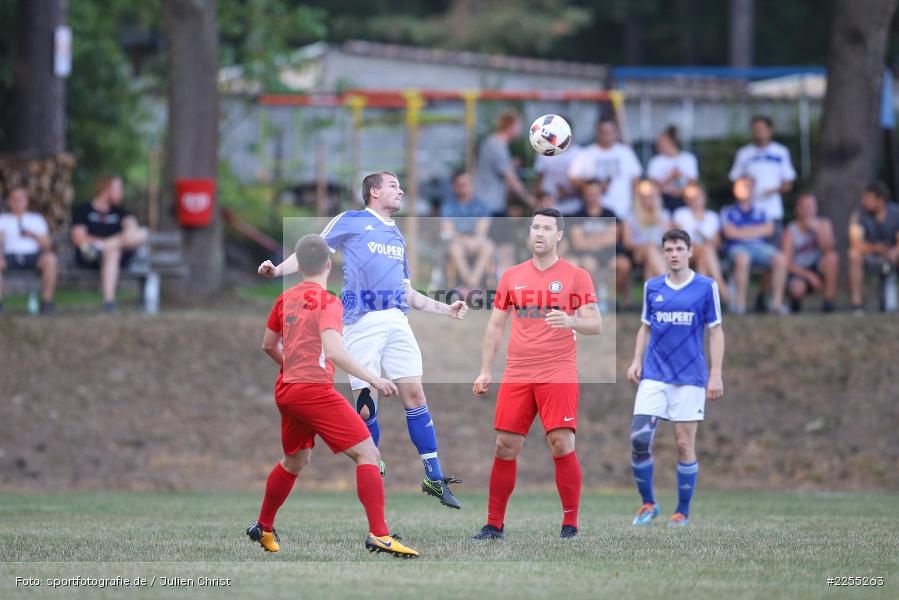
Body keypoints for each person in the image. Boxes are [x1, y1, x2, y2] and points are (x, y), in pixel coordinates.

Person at [258, 171, 468, 508]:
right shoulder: (352, 220)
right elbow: (312, 249)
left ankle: (433, 475)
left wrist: (446, 310)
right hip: (361, 321)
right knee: (367, 401)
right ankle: (375, 478)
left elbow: (406, 291)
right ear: (373, 192)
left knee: (414, 393)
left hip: (398, 319)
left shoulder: (397, 236)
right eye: (393, 185)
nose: (401, 190)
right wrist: (276, 271)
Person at [246, 234, 418, 558]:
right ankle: (379, 534)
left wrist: (294, 367)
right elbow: (334, 351)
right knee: (368, 454)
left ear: (298, 266)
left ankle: (263, 526)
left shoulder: (284, 300)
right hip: (313, 391)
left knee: (295, 460)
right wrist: (374, 379)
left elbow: (268, 345)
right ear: (328, 264)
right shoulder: (328, 302)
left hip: (287, 389)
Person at [471, 207, 602, 541]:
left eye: (546, 228)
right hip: (517, 372)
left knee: (561, 442)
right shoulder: (511, 276)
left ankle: (570, 524)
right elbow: (496, 325)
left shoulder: (576, 276)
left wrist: (572, 320)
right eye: (534, 228)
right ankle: (493, 526)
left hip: (558, 371)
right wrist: (486, 369)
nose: (539, 233)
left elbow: (596, 323)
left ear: (559, 235)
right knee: (504, 445)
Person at [626, 228, 724, 528]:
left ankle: (681, 510)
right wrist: (635, 360)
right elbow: (645, 327)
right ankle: (648, 503)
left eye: (679, 249)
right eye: (668, 249)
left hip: (691, 378)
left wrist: (716, 374)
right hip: (655, 375)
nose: (674, 254)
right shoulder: (652, 287)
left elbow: (716, 331)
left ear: (689, 252)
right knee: (639, 439)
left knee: (683, 445)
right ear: (663, 253)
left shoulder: (706, 287)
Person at [71, 176, 148, 312]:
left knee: (142, 233)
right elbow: (79, 238)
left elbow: (132, 230)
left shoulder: (120, 211)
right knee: (113, 252)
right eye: (118, 189)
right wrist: (117, 241)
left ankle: (109, 301)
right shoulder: (84, 210)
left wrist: (104, 244)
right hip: (90, 257)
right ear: (106, 190)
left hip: (113, 256)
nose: (121, 193)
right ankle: (109, 300)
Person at [720, 177, 788, 315]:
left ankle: (776, 304)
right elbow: (729, 233)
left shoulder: (763, 210)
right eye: (743, 185)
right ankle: (740, 304)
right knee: (742, 258)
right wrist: (756, 230)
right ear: (735, 189)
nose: (747, 189)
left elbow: (770, 229)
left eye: (749, 186)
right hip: (736, 248)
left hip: (760, 248)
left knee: (780, 259)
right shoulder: (727, 210)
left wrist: (741, 231)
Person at [568, 180, 631, 307]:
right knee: (588, 265)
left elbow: (613, 238)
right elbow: (578, 243)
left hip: (610, 254)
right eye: (589, 193)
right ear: (584, 195)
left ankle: (610, 299)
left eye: (595, 193)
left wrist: (590, 240)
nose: (592, 197)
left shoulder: (609, 213)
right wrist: (602, 238)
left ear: (601, 194)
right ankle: (594, 301)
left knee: (623, 265)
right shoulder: (577, 215)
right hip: (586, 255)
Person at [567, 117, 642, 219]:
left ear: (615, 132)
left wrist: (634, 203)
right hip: (595, 213)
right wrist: (593, 185)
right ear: (597, 133)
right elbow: (572, 178)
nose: (606, 135)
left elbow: (635, 180)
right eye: (603, 132)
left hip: (623, 210)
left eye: (609, 132)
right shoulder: (586, 153)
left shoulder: (625, 152)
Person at [728, 115, 796, 225]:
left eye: (762, 129)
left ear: (770, 130)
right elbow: (735, 179)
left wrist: (772, 191)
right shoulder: (744, 153)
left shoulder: (781, 152)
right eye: (756, 129)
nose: (759, 132)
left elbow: (788, 183)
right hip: (748, 213)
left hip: (773, 212)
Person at [0, 187, 58, 314]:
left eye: (21, 199)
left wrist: (33, 235)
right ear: (9, 201)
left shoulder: (36, 219)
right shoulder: (2, 220)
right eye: (14, 199)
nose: (18, 202)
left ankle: (47, 302)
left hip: (33, 256)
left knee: (51, 260)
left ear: (26, 201)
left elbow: (48, 245)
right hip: (9, 256)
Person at [672, 183, 729, 305]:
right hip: (686, 253)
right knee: (706, 250)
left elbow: (717, 243)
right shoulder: (680, 214)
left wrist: (706, 242)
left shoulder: (712, 216)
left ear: (704, 197)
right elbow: (680, 239)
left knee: (704, 259)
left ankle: (700, 302)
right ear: (686, 199)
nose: (695, 200)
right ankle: (722, 289)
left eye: (697, 196)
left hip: (706, 254)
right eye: (691, 197)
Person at [782, 193, 839, 313]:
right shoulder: (790, 230)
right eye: (805, 207)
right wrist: (808, 275)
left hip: (818, 267)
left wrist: (819, 231)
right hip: (799, 270)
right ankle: (795, 303)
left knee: (832, 258)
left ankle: (828, 302)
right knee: (797, 289)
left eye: (811, 206)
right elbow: (787, 263)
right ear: (798, 209)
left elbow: (829, 250)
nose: (809, 210)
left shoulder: (824, 224)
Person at [848, 181, 899, 313]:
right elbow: (855, 242)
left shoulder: (895, 213)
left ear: (880, 200)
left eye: (868, 198)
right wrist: (875, 248)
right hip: (870, 256)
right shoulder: (859, 216)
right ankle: (856, 305)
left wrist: (894, 251)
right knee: (853, 255)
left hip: (893, 255)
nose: (863, 202)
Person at [474, 110, 535, 217]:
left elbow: (494, 168)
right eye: (519, 126)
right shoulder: (498, 146)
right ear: (510, 126)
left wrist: (510, 164)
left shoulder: (491, 142)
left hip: (484, 201)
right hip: (491, 204)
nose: (520, 130)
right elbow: (512, 179)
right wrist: (530, 200)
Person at [440, 171, 494, 291]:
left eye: (467, 183)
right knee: (455, 248)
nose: (464, 187)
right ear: (455, 187)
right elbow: (448, 231)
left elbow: (482, 231)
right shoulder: (448, 205)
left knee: (488, 246)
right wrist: (466, 241)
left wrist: (473, 241)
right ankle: (473, 286)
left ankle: (470, 285)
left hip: (476, 242)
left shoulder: (482, 205)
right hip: (457, 242)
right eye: (461, 184)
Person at [623, 180, 669, 281]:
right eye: (644, 197)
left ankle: (650, 296)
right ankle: (670, 284)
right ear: (639, 198)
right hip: (638, 252)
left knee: (651, 264)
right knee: (650, 248)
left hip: (660, 251)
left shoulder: (663, 215)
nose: (648, 200)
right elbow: (627, 243)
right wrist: (646, 244)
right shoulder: (630, 217)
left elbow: (668, 239)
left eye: (651, 196)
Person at [533, 121, 582, 216]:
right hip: (548, 207)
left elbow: (585, 183)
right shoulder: (543, 150)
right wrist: (538, 200)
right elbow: (539, 179)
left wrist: (569, 192)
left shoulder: (580, 153)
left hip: (573, 206)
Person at [647, 125, 699, 213]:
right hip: (663, 200)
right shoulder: (655, 161)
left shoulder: (688, 158)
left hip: (684, 199)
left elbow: (693, 182)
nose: (658, 145)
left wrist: (680, 190)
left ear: (671, 141)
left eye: (662, 142)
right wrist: (670, 178)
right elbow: (653, 186)